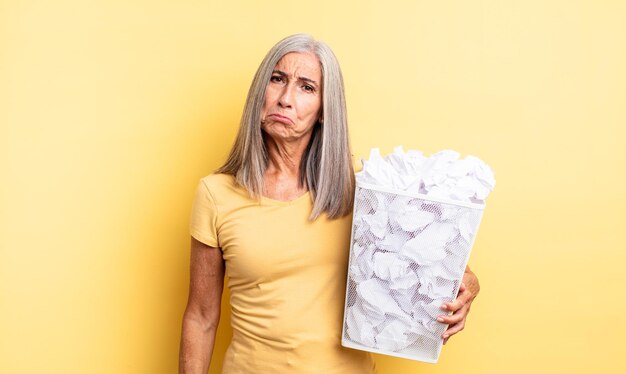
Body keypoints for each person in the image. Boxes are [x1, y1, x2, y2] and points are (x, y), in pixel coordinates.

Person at [179, 33, 480, 374]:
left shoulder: (362, 185)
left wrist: (468, 285)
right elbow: (201, 316)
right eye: (277, 79)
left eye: (306, 87)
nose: (286, 98)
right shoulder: (216, 193)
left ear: (324, 110)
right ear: (259, 94)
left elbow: (436, 259)